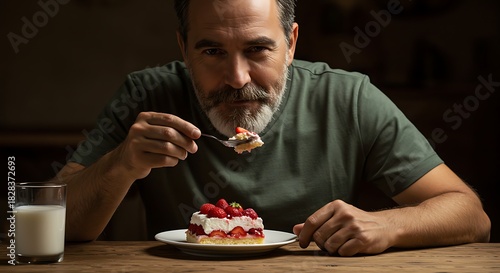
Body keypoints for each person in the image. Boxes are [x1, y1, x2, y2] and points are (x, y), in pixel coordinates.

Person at [56, 0, 490, 256]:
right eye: (211, 51)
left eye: (258, 49)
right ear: (183, 49)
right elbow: (51, 226)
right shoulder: (145, 96)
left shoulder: (348, 98)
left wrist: (389, 226)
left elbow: (470, 214)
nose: (238, 78)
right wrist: (120, 165)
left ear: (292, 44)